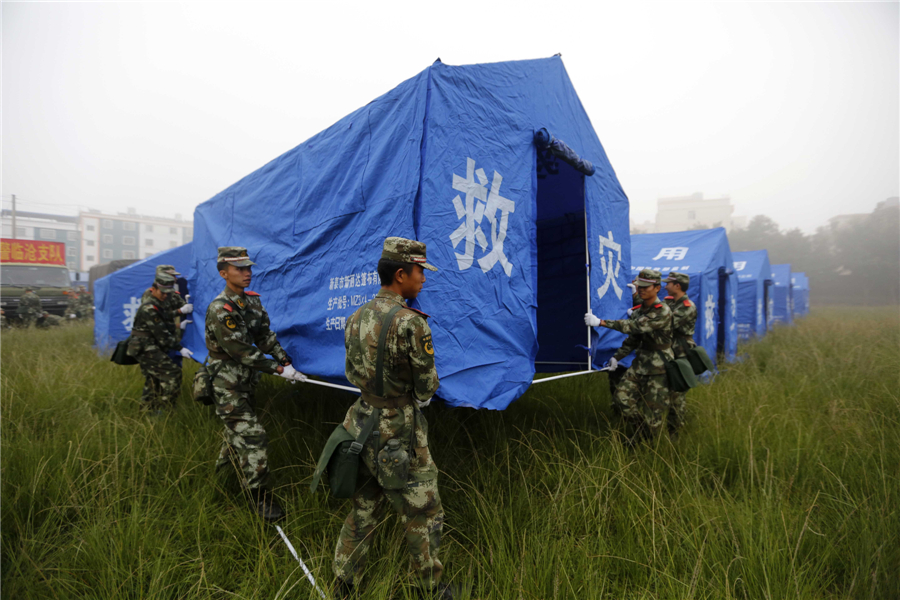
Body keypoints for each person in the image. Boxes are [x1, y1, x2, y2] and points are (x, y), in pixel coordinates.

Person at [332, 237, 449, 600]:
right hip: (399, 426)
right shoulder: (411, 323)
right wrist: (419, 397)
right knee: (423, 508)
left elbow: (351, 371)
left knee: (364, 505)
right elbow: (427, 384)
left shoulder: (356, 317)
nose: (423, 279)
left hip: (362, 420)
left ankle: (343, 583)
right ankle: (428, 588)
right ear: (401, 274)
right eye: (419, 272)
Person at [204, 247, 302, 522]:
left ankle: (220, 483)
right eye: (240, 269)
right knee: (253, 435)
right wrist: (278, 369)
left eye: (249, 268)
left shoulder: (252, 303)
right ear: (224, 273)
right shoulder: (220, 309)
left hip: (246, 383)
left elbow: (265, 336)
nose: (247, 273)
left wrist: (286, 360)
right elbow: (241, 351)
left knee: (237, 435)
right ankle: (258, 497)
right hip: (226, 383)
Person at [585, 268, 674, 443]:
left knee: (653, 412)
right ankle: (642, 432)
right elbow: (633, 340)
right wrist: (616, 358)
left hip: (659, 366)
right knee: (621, 400)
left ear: (657, 288)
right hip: (641, 363)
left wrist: (601, 322)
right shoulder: (641, 310)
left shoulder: (662, 311)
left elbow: (633, 327)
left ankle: (646, 445)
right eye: (639, 286)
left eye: (645, 287)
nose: (641, 289)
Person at [127, 273, 192, 413]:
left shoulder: (158, 303)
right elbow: (162, 335)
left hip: (150, 344)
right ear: (154, 289)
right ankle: (165, 410)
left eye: (168, 293)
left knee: (154, 379)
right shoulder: (149, 308)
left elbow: (165, 315)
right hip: (145, 346)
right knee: (173, 373)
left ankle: (146, 410)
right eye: (162, 293)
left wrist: (181, 312)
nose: (165, 296)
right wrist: (180, 348)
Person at [663, 272, 696, 439]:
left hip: (681, 352)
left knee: (677, 392)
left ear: (677, 286)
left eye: (669, 283)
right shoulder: (670, 301)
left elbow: (666, 324)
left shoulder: (687, 307)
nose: (665, 286)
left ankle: (675, 432)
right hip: (669, 351)